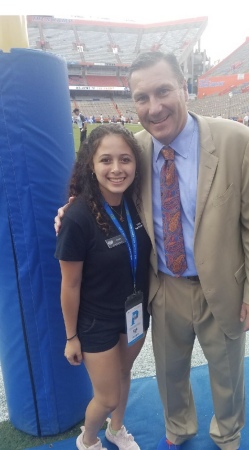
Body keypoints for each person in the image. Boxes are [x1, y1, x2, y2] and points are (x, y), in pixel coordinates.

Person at [56, 52, 249, 450]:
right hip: (164, 286)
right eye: (142, 97)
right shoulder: (134, 150)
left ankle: (227, 433)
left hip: (224, 285)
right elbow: (99, 191)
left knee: (227, 372)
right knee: (169, 372)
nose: (154, 107)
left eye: (163, 91)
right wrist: (68, 210)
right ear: (133, 103)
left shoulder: (237, 142)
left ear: (185, 89)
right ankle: (179, 428)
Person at [55, 124, 151, 450]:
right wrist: (71, 337)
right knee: (107, 395)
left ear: (135, 164)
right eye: (106, 160)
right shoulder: (77, 216)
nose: (116, 169)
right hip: (97, 321)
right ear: (91, 165)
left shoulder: (137, 202)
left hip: (135, 311)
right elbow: (70, 284)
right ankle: (89, 438)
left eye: (125, 159)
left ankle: (116, 429)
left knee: (125, 374)